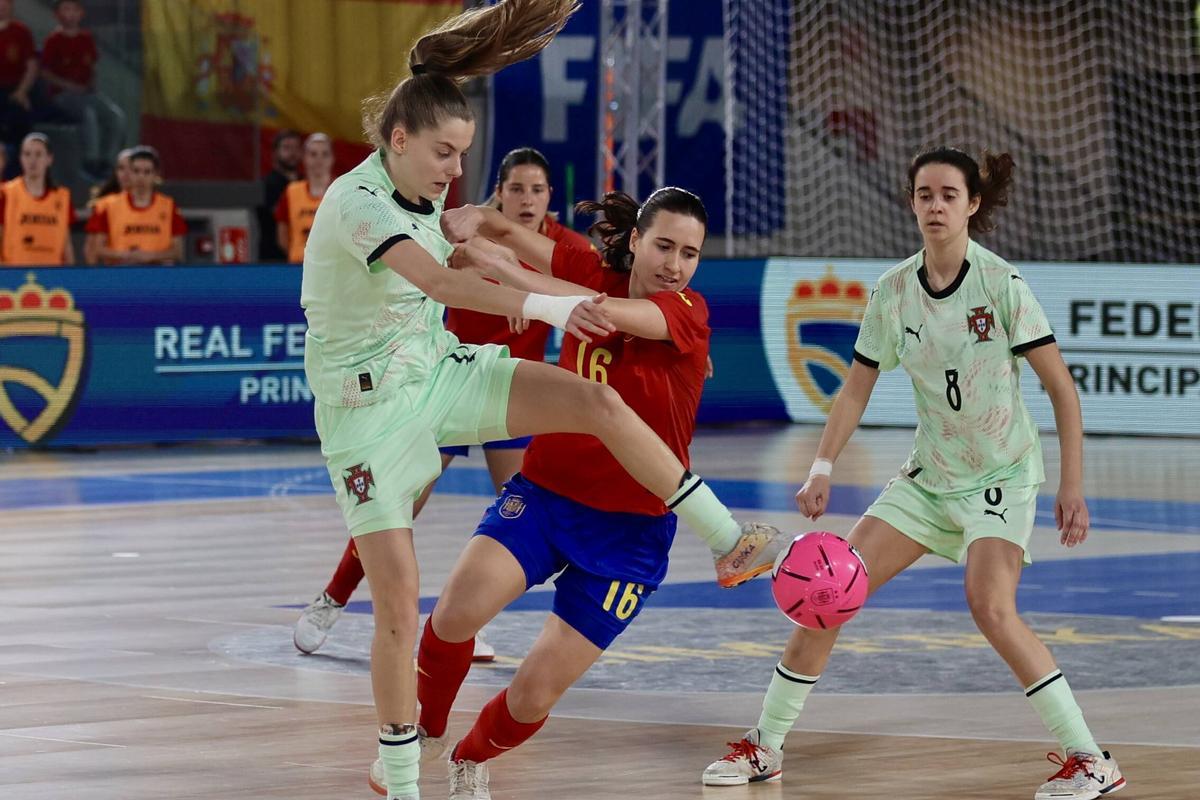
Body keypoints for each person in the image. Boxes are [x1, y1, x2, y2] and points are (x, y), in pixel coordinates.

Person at [299, 2, 786, 797]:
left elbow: (511, 253)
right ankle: (400, 775)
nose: (453, 168)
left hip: (453, 382)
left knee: (596, 408)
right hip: (369, 418)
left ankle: (728, 538)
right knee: (405, 607)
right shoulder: (361, 204)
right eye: (443, 153)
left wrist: (489, 241)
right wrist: (537, 288)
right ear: (397, 140)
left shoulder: (680, 308)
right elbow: (444, 279)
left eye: (463, 154)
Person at [699, 147, 1124, 800]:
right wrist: (822, 465)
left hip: (1000, 479)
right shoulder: (893, 291)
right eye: (925, 194)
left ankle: (1092, 760)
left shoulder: (1001, 285)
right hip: (927, 481)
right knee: (829, 591)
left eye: (949, 195)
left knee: (990, 607)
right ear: (911, 202)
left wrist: (1071, 487)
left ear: (972, 205)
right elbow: (855, 387)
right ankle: (766, 746)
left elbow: (1063, 390)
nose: (936, 205)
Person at [400, 186, 712, 800]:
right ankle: (427, 731)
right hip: (547, 495)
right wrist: (472, 222)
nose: (675, 265)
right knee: (455, 613)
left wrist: (499, 269)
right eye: (664, 246)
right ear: (636, 241)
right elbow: (514, 232)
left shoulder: (686, 310)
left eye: (691, 253)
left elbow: (597, 312)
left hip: (630, 537)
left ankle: (468, 759)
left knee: (534, 693)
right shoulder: (589, 269)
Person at [292, 146, 591, 662]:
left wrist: (670, 338)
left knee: (516, 518)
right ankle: (331, 598)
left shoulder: (558, 246)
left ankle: (460, 623)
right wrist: (504, 288)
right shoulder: (461, 229)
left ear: (549, 198)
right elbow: (435, 281)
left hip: (505, 392)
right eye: (516, 188)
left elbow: (602, 288)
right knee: (398, 508)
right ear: (498, 193)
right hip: (446, 386)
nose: (526, 200)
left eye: (537, 190)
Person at [39, 0, 126, 179]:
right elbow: (45, 73)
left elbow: (91, 66)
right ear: (58, 14)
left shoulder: (87, 38)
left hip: (88, 94)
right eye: (66, 10)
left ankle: (107, 162)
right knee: (88, 114)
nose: (70, 14)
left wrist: (91, 86)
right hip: (62, 95)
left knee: (115, 116)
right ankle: (90, 162)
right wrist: (69, 86)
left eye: (74, 10)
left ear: (81, 13)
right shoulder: (53, 40)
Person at [84, 145, 186, 265]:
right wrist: (126, 255)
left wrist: (150, 256)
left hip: (159, 274)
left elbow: (178, 251)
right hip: (121, 275)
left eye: (147, 172)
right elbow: (95, 249)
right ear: (130, 173)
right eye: (136, 171)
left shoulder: (168, 206)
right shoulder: (109, 206)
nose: (141, 177)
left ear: (155, 175)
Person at [0, 132, 75, 265]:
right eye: (27, 154)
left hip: (52, 276)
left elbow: (66, 244)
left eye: (38, 154)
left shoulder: (62, 197)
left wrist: (70, 277)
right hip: (13, 277)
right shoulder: (6, 193)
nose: (32, 160)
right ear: (20, 158)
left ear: (49, 159)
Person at [274, 132, 334, 264]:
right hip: (298, 265)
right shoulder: (292, 191)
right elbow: (282, 235)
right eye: (313, 154)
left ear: (332, 159)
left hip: (332, 267)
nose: (319, 160)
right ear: (305, 158)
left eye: (324, 154)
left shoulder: (341, 191)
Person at [0, 0, 35, 171]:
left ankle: (19, 175)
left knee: (19, 120)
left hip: (14, 90)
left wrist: (22, 91)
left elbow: (32, 66)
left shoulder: (21, 32)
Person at [257, 128, 301, 261]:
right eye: (287, 148)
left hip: (303, 257)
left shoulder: (306, 184)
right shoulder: (266, 185)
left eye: (295, 148)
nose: (292, 153)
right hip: (273, 258)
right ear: (275, 153)